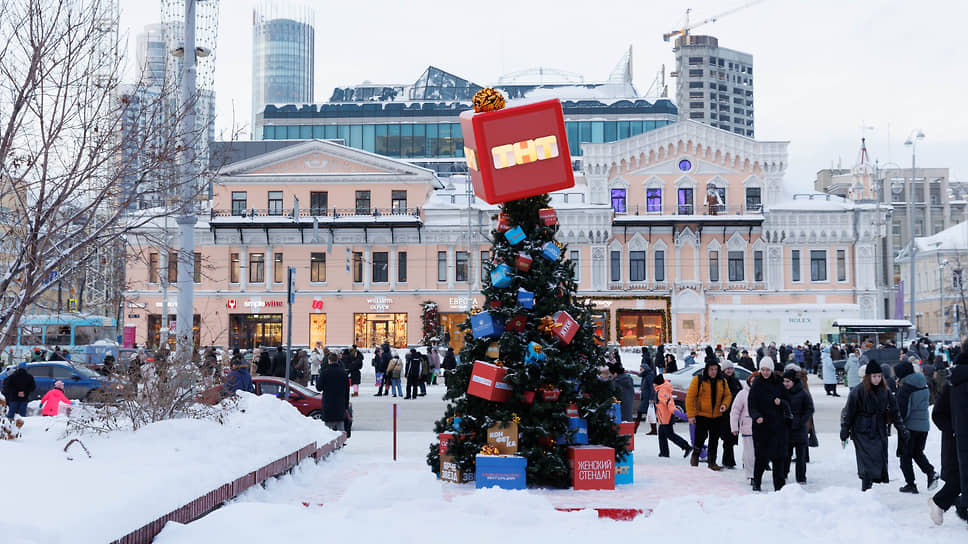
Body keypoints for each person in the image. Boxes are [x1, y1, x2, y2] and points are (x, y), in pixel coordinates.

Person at [840, 361, 910, 491]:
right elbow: (849, 412)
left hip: (878, 429)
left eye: (879, 376)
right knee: (867, 462)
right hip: (862, 430)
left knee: (877, 459)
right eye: (874, 376)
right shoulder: (858, 391)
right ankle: (866, 490)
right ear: (868, 377)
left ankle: (869, 487)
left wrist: (901, 428)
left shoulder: (885, 390)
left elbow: (895, 411)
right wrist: (845, 430)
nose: (877, 379)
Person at [929, 352, 968, 526]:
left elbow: (938, 413)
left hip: (957, 438)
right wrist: (955, 430)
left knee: (959, 478)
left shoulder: (952, 381)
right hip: (957, 440)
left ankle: (941, 503)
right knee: (959, 478)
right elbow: (939, 414)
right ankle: (943, 503)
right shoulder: (953, 383)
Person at [894, 361, 938, 493]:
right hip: (923, 425)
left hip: (910, 427)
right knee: (917, 452)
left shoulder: (906, 388)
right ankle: (931, 472)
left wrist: (898, 423)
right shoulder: (923, 383)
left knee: (905, 456)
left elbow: (903, 411)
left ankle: (911, 484)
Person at [748, 357, 790, 492]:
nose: (765, 372)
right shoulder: (756, 384)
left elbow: (788, 401)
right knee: (761, 457)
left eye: (767, 370)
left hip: (777, 426)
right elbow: (751, 404)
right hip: (761, 427)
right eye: (763, 370)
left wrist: (781, 403)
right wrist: (757, 416)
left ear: (772, 370)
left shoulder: (779, 383)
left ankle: (779, 486)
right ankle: (757, 483)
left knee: (778, 457)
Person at [685, 357, 732, 471]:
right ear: (707, 369)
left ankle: (712, 462)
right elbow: (690, 398)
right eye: (711, 369)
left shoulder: (722, 381)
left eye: (715, 369)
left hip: (716, 416)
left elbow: (728, 395)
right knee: (699, 440)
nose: (713, 372)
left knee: (714, 441)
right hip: (702, 415)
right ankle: (695, 459)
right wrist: (691, 415)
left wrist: (724, 405)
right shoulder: (699, 380)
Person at [783, 368, 814, 484]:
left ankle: (801, 477)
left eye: (788, 381)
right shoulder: (783, 392)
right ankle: (784, 473)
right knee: (786, 454)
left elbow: (810, 409)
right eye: (784, 381)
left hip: (800, 429)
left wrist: (801, 421)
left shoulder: (803, 393)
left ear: (793, 381)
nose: (785, 384)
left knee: (800, 456)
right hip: (787, 429)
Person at [654, 375, 692, 458]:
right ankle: (664, 452)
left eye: (654, 383)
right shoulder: (661, 389)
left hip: (666, 417)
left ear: (657, 383)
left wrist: (676, 412)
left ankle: (686, 447)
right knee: (662, 434)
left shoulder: (662, 391)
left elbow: (669, 403)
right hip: (663, 417)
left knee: (670, 435)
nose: (653, 385)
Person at [731, 373, 756, 483]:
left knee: (757, 452)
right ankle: (751, 475)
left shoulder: (764, 392)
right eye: (752, 381)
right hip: (747, 426)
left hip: (762, 427)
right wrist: (734, 427)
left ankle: (756, 472)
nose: (754, 383)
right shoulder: (742, 394)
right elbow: (735, 411)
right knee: (749, 451)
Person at [316, 352, 350, 432]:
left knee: (327, 431)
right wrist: (346, 406)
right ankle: (341, 444)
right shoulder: (343, 373)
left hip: (328, 404)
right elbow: (347, 391)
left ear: (329, 360)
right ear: (337, 360)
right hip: (340, 404)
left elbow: (319, 388)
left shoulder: (324, 373)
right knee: (340, 429)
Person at [720, 360, 743, 470]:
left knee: (732, 438)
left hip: (735, 414)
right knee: (727, 439)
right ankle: (727, 461)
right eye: (727, 369)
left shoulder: (735, 381)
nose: (729, 370)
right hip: (724, 414)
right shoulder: (721, 381)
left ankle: (730, 460)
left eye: (731, 368)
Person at [634, 359, 656, 435]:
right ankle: (654, 430)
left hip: (647, 399)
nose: (640, 370)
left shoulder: (649, 376)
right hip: (645, 398)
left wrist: (651, 398)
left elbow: (652, 388)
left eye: (641, 369)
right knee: (649, 414)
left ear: (645, 369)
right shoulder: (645, 376)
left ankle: (634, 430)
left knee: (640, 413)